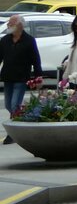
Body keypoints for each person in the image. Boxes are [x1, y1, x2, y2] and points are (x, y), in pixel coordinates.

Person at [0, 14, 42, 142]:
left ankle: (13, 134)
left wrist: (38, 76)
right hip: (8, 76)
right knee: (8, 104)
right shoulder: (5, 40)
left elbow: (36, 60)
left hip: (21, 78)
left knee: (14, 105)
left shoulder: (29, 40)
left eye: (10, 23)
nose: (8, 25)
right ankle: (22, 122)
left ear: (19, 25)